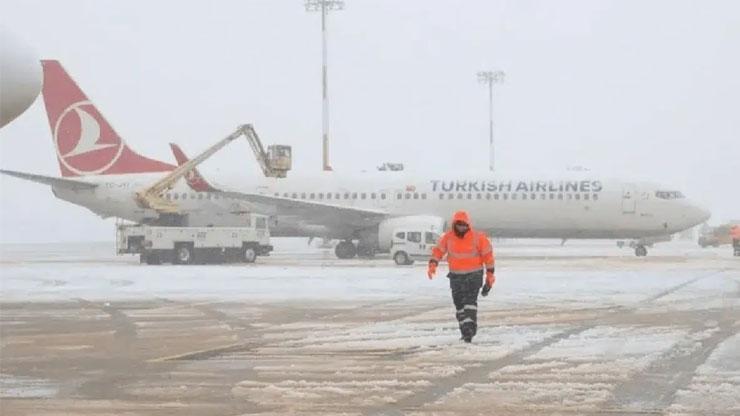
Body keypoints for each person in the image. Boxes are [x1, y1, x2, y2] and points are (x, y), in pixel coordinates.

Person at [427, 210, 495, 343]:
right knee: (459, 305)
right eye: (459, 225)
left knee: (470, 303)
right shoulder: (448, 237)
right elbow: (438, 251)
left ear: (468, 225)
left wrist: (490, 274)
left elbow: (488, 257)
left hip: (473, 276)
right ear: (454, 225)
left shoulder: (478, 238)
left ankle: (469, 329)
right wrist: (433, 264)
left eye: (464, 225)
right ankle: (465, 330)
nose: (461, 227)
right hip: (456, 277)